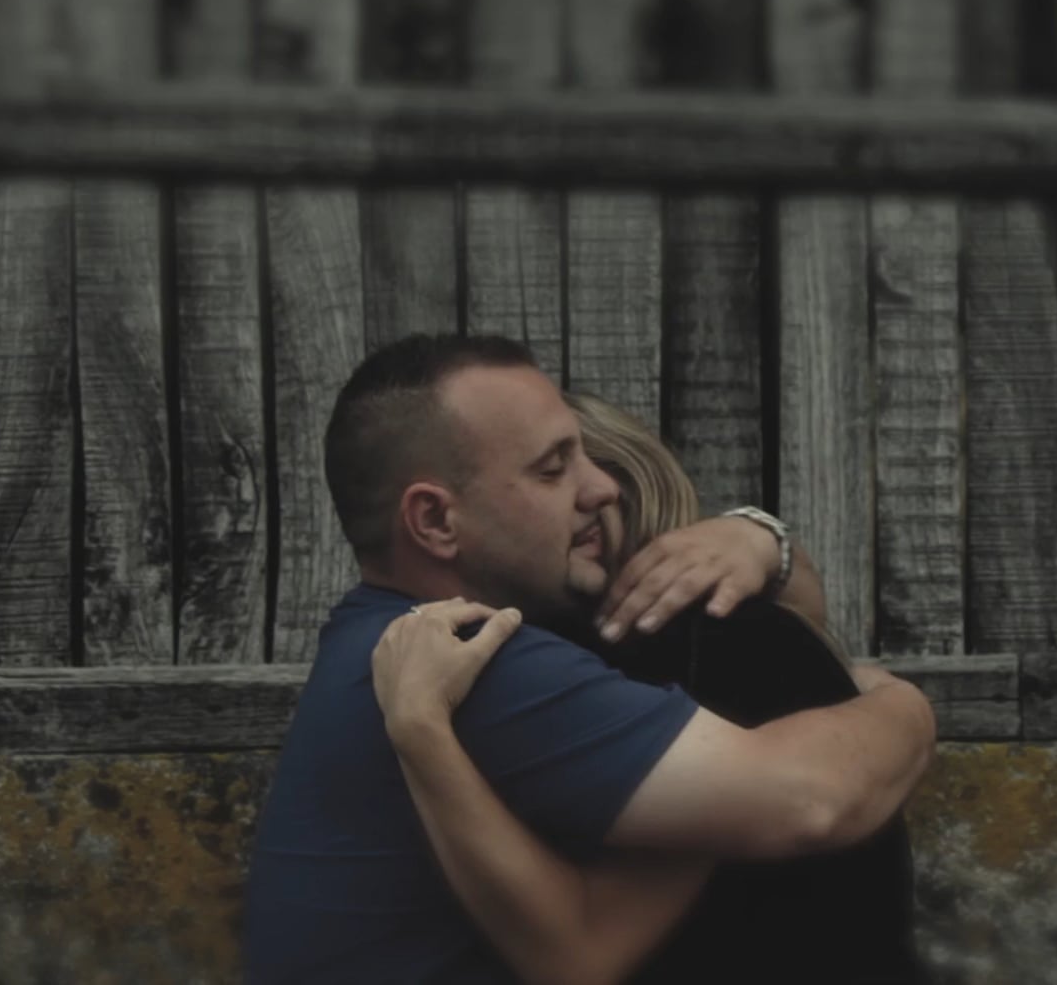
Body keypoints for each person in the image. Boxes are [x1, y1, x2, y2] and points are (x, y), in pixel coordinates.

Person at [242, 334, 937, 984]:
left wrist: (761, 539)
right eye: (554, 470)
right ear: (434, 520)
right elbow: (814, 799)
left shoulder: (371, 633)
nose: (599, 487)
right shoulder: (484, 665)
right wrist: (901, 702)